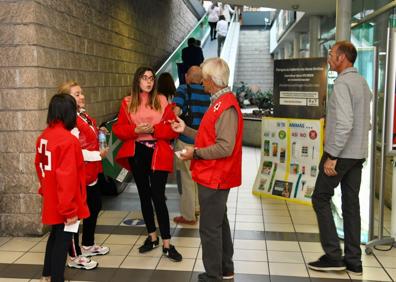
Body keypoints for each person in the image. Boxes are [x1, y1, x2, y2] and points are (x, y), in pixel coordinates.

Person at [171, 58, 243, 282]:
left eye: (204, 79)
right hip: (213, 175)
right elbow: (207, 136)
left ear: (212, 80)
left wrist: (196, 153)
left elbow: (225, 146)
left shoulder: (226, 106)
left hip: (216, 176)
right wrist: (186, 129)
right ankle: (225, 269)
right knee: (219, 224)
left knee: (210, 230)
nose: (202, 83)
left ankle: (213, 276)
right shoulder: (218, 102)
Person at [307, 41, 372, 276]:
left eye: (332, 53)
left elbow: (344, 123)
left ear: (343, 57)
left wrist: (332, 155)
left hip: (341, 154)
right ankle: (354, 261)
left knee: (320, 198)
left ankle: (334, 256)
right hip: (358, 154)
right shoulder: (362, 83)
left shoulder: (343, 84)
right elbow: (367, 120)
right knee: (350, 204)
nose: (328, 57)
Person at [112, 66, 182, 262]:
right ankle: (152, 236)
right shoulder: (127, 102)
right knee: (144, 196)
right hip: (137, 152)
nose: (149, 81)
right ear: (138, 80)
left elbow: (173, 129)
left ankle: (167, 243)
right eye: (144, 78)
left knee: (158, 197)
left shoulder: (161, 100)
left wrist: (154, 129)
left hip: (158, 151)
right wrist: (135, 130)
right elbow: (119, 129)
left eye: (151, 78)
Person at [35, 93, 90, 282]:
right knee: (62, 243)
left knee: (54, 237)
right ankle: (56, 278)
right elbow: (67, 178)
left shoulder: (44, 136)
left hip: (51, 197)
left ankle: (47, 275)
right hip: (65, 201)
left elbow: (39, 166)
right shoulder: (68, 140)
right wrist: (69, 210)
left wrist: (45, 189)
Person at [57, 81, 110, 270]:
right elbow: (74, 150)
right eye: (77, 94)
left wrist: (99, 132)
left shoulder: (83, 115)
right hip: (79, 174)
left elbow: (86, 138)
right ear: (67, 99)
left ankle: (87, 244)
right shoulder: (70, 121)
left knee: (94, 206)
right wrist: (97, 155)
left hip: (91, 172)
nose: (82, 96)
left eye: (81, 93)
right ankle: (74, 256)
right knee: (76, 216)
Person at [172, 66, 211, 225]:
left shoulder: (183, 88)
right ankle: (196, 207)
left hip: (185, 139)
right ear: (202, 79)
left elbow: (176, 111)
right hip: (202, 140)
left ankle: (188, 216)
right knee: (197, 176)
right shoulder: (207, 91)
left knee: (186, 177)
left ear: (187, 76)